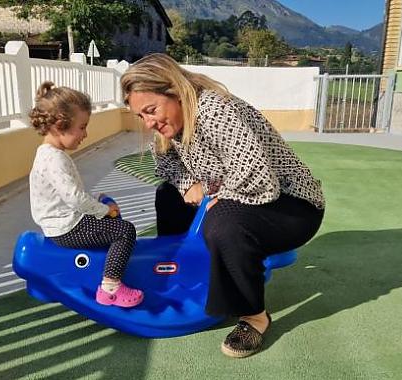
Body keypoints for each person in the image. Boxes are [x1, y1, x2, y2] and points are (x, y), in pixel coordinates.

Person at [121, 54, 325, 357]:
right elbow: (165, 165)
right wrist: (188, 185)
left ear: (174, 91)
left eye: (151, 110)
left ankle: (254, 316)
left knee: (224, 223)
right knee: (168, 195)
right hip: (244, 192)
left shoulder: (213, 109)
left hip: (294, 204)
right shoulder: (171, 126)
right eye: (141, 116)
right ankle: (184, 267)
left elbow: (258, 177)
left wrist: (215, 195)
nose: (149, 122)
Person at [28, 81, 144, 308]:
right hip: (67, 227)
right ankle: (111, 288)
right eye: (81, 127)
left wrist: (97, 203)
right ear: (60, 125)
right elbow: (74, 198)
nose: (85, 133)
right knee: (124, 231)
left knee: (108, 219)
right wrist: (103, 209)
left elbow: (69, 195)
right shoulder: (55, 159)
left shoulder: (47, 153)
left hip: (63, 222)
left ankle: (104, 268)